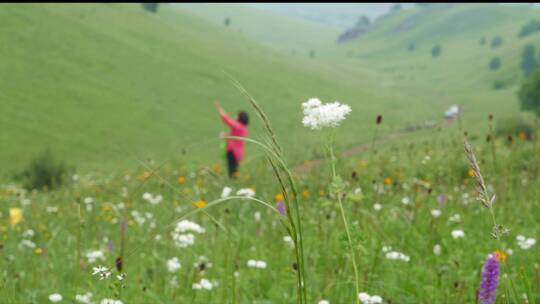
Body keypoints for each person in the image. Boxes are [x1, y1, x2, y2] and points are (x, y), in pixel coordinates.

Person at [215, 102, 249, 178]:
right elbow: (234, 136)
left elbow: (227, 120)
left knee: (232, 172)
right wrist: (224, 135)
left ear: (240, 118)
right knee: (235, 171)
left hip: (233, 152)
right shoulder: (244, 129)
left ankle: (232, 184)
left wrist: (220, 109)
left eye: (237, 115)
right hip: (239, 153)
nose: (236, 117)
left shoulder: (238, 126)